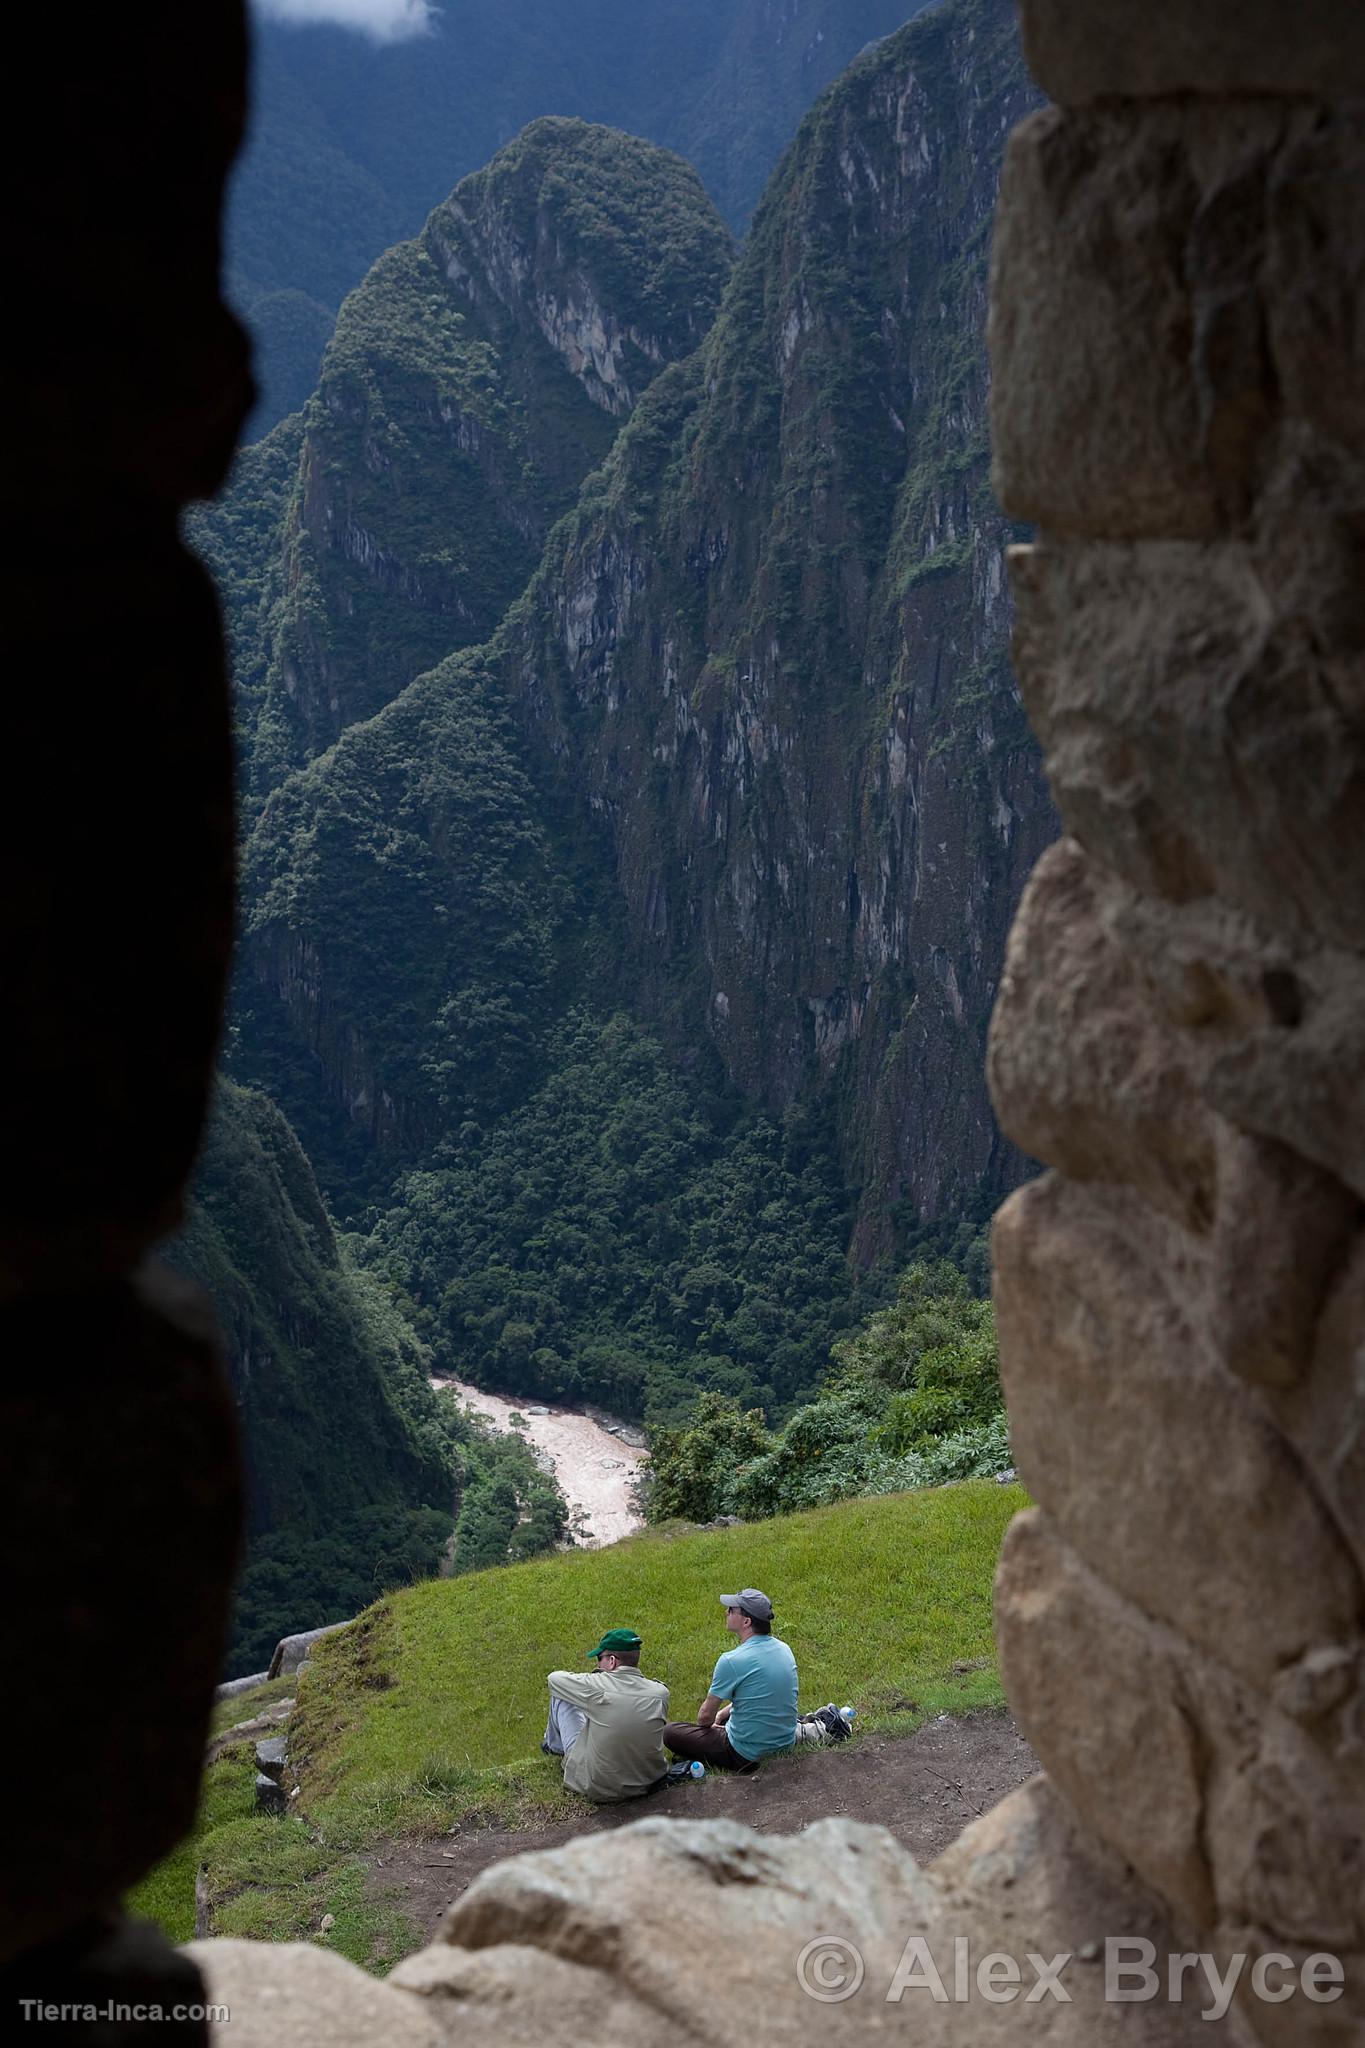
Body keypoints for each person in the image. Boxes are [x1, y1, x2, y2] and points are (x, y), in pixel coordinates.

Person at [663, 1588, 850, 1771]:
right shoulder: (784, 1649)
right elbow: (760, 1695)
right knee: (727, 1717)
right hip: (784, 1742)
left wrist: (716, 1722)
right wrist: (722, 1714)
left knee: (670, 1732)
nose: (726, 1612)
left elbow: (704, 1719)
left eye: (731, 1610)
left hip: (745, 1755)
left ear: (746, 1621)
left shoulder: (731, 1660)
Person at [542, 1627, 670, 1802]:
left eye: (599, 1659)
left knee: (562, 1698)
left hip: (600, 1787)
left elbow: (554, 1679)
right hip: (648, 1782)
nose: (597, 1664)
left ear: (611, 1661)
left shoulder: (597, 1687)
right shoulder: (660, 1693)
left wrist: (598, 1676)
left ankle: (553, 1748)